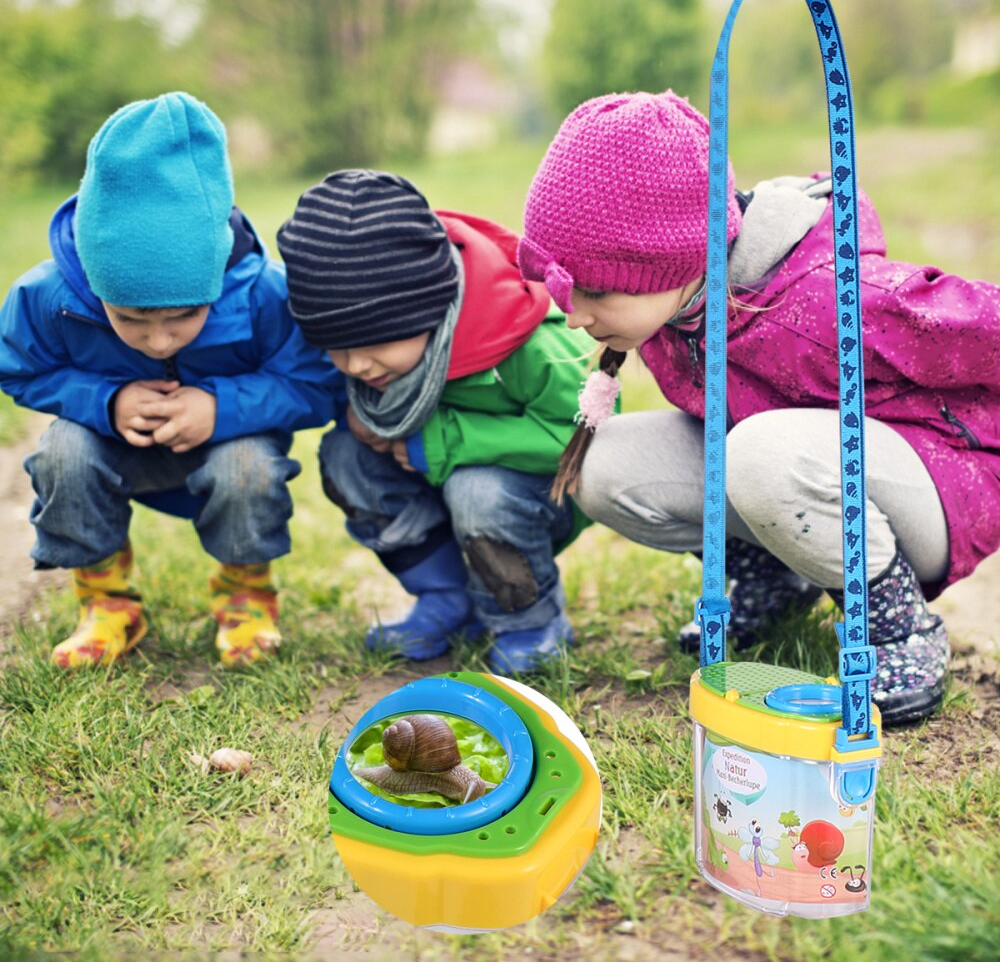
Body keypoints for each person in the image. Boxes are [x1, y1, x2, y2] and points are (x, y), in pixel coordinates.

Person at [517, 89, 1000, 725]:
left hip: (932, 486)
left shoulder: (828, 301)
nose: (574, 314)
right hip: (798, 479)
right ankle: (776, 581)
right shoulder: (677, 308)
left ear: (674, 259)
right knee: (602, 467)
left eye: (597, 291)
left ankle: (898, 628)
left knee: (758, 451)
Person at [0, 92, 342, 668]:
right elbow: (19, 367)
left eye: (184, 316)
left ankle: (244, 596)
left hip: (229, 443)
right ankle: (107, 603)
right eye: (130, 319)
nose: (159, 341)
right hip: (115, 446)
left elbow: (316, 383)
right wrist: (105, 401)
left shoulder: (263, 294)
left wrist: (221, 407)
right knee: (63, 450)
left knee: (248, 467)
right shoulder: (48, 296)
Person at [277, 170, 594, 672]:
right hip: (437, 484)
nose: (356, 365)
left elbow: (580, 439)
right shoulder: (367, 352)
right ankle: (447, 598)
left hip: (532, 495)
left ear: (428, 310)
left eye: (373, 344)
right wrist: (355, 415)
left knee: (477, 490)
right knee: (345, 456)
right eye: (337, 348)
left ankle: (530, 619)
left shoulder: (528, 339)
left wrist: (444, 439)